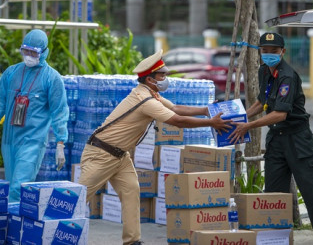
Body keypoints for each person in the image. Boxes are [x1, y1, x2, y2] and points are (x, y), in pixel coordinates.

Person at [78, 50, 231, 245]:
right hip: (101, 153)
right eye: (162, 76)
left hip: (119, 156)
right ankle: (53, 230)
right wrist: (211, 123)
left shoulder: (151, 94)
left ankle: (132, 241)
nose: (166, 79)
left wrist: (208, 109)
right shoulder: (146, 100)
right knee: (78, 197)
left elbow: (175, 109)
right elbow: (178, 120)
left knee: (132, 191)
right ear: (150, 79)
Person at [229, 32, 313, 245]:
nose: (269, 54)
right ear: (260, 52)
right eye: (265, 51)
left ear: (283, 52)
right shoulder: (263, 70)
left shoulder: (288, 75)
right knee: (274, 198)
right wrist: (241, 118)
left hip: (298, 140)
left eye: (274, 51)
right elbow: (262, 101)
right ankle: (276, 241)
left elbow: (280, 113)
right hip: (276, 141)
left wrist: (248, 126)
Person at [0, 29, 69, 201]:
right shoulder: (11, 73)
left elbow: (59, 111)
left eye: (34, 52)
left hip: (32, 141)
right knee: (9, 185)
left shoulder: (52, 78)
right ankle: (8, 224)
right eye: (26, 51)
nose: (29, 55)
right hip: (9, 140)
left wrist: (61, 143)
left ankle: (14, 226)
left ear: (44, 52)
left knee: (19, 186)